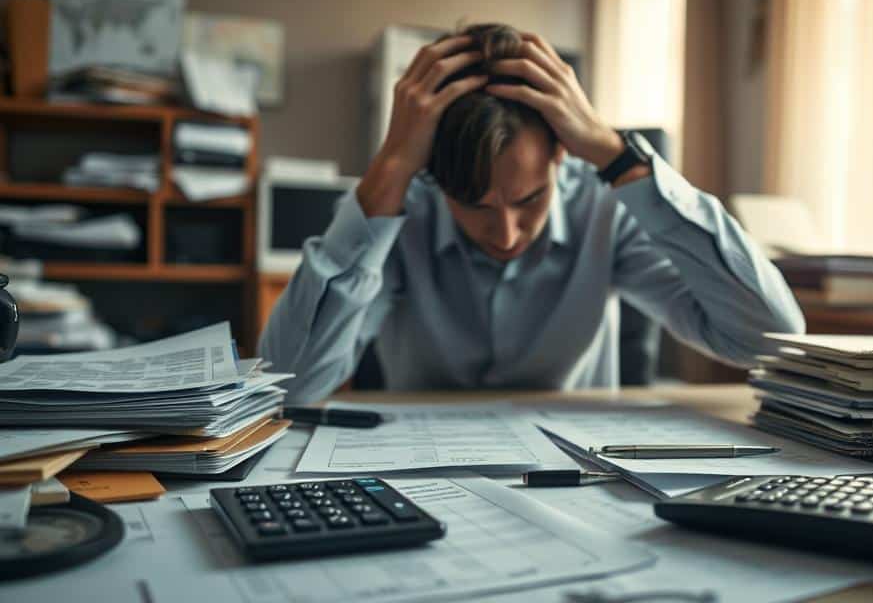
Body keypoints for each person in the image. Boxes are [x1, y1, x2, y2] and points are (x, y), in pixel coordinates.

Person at [260, 23, 804, 404]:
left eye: (529, 199)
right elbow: (291, 384)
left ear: (561, 152)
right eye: (474, 205)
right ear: (434, 177)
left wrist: (618, 155)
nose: (506, 233)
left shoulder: (603, 209)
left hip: (579, 476)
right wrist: (392, 163)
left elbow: (768, 338)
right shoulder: (401, 212)